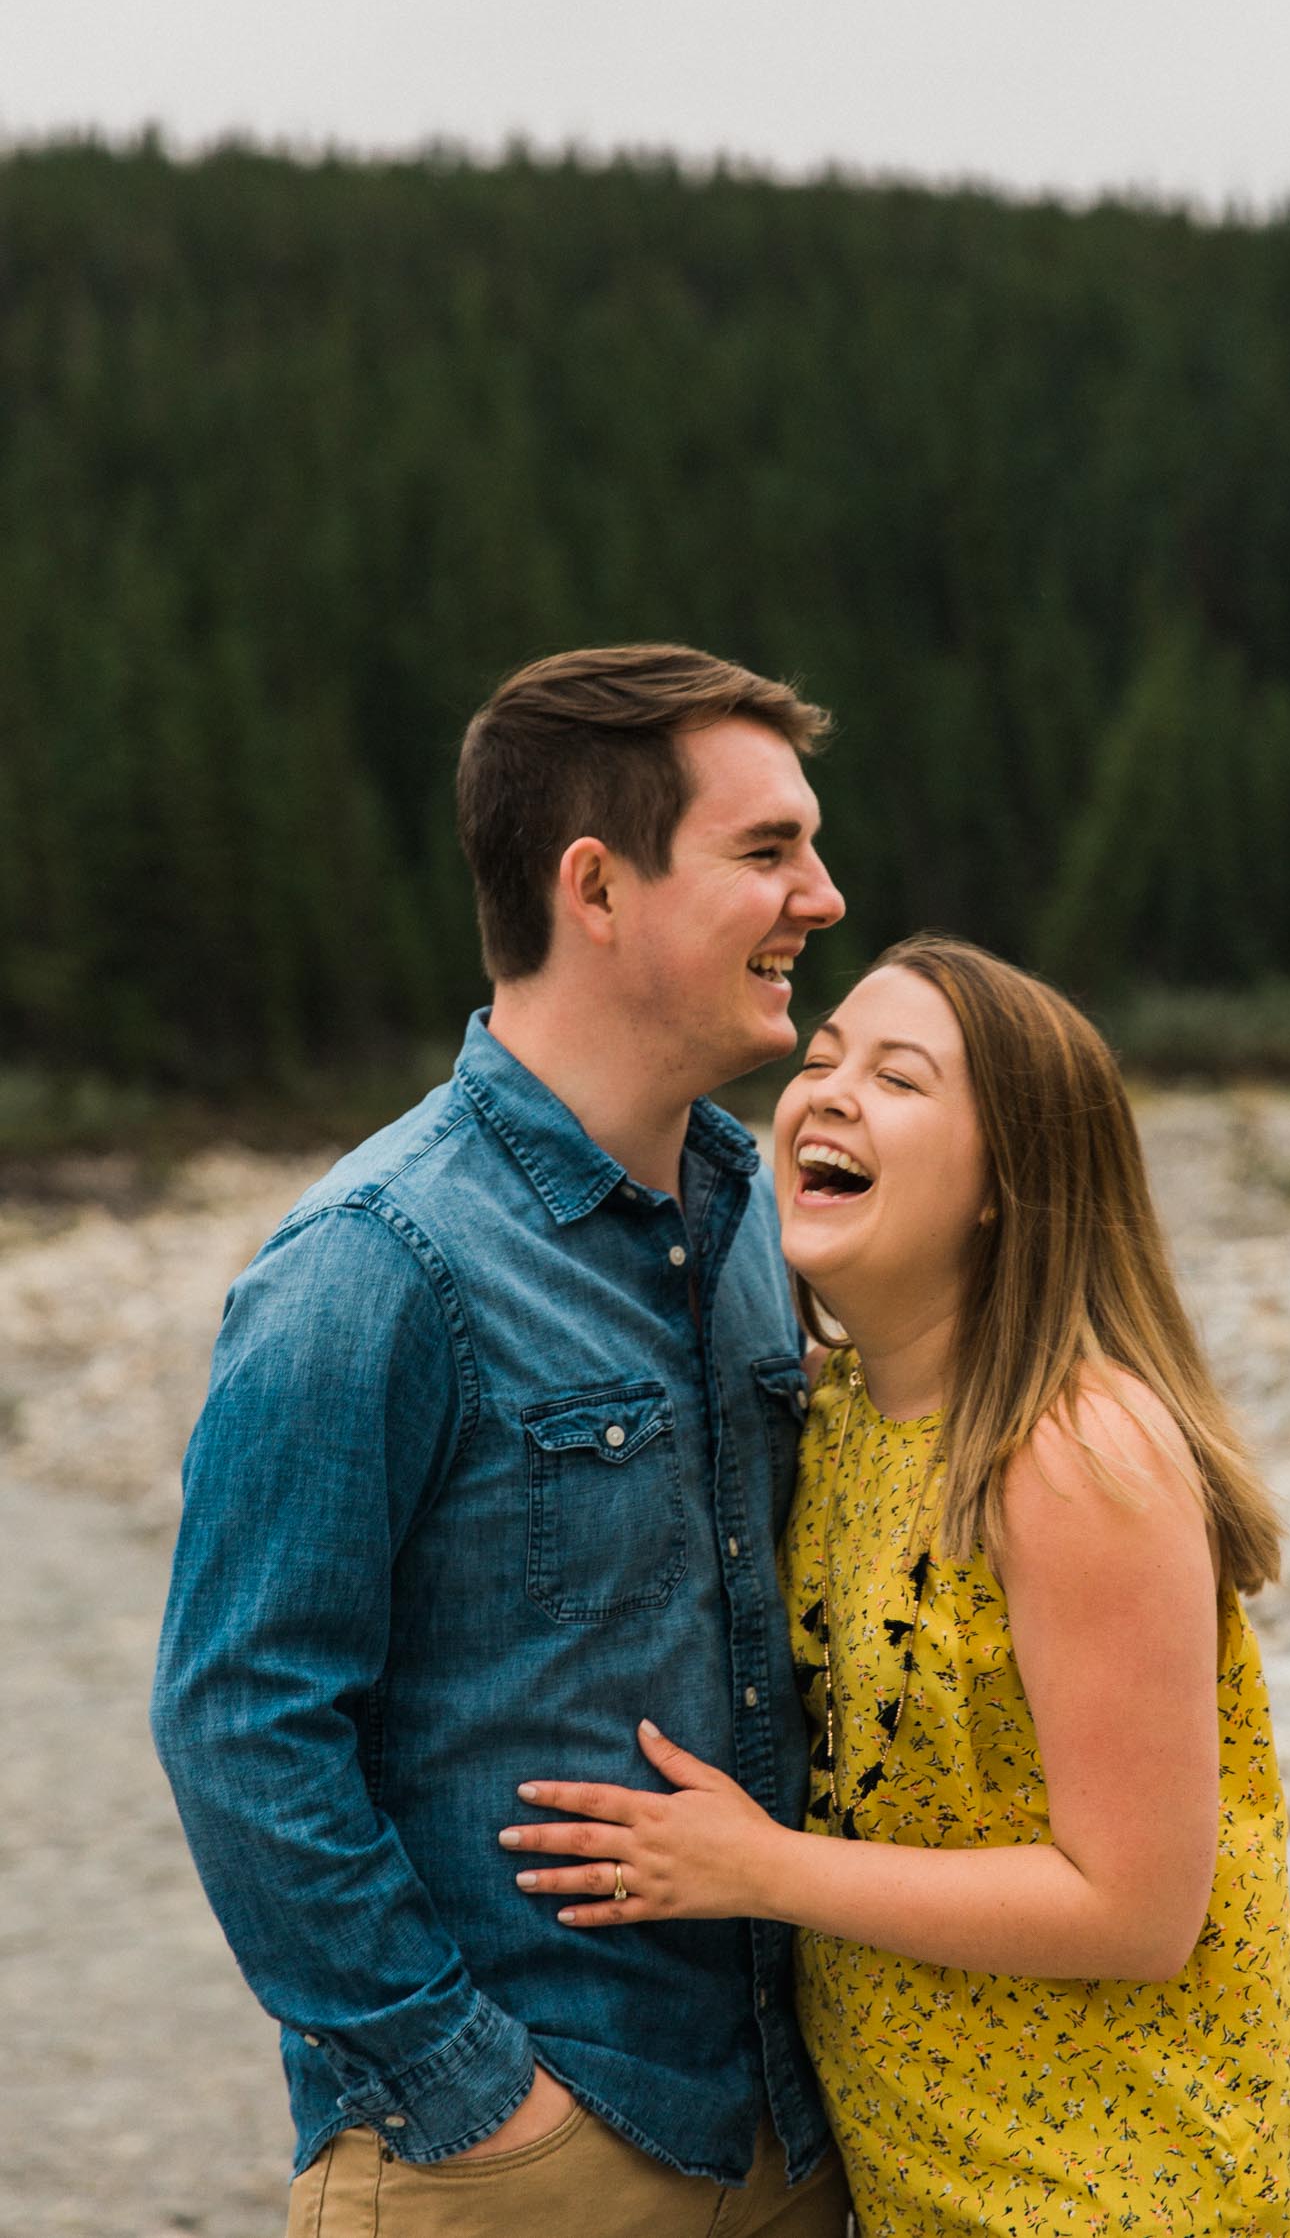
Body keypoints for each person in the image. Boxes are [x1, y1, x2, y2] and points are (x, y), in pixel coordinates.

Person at [150, 644, 853, 2238]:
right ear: (594, 887)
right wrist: (472, 2100)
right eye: (767, 851)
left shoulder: (753, 1217)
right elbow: (240, 1723)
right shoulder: (370, 1262)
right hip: (521, 2159)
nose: (822, 893)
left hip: (790, 2141)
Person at [497, 934, 1290, 2237]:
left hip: (1123, 2190)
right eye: (821, 1058)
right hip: (928, 2180)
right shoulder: (830, 1418)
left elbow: (1137, 1905)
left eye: (898, 1077)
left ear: (1011, 1178)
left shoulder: (1067, 1452)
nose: (826, 1091)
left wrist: (761, 1867)